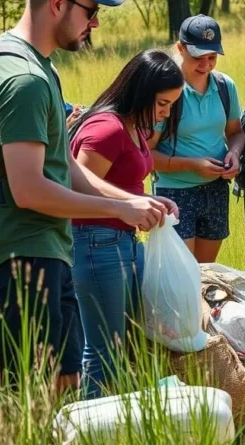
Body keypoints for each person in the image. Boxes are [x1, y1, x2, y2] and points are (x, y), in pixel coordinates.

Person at [0, 0, 176, 394]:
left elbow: (63, 171)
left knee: (64, 386)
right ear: (58, 4)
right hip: (20, 258)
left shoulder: (41, 69)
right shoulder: (20, 77)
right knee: (20, 399)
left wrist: (130, 202)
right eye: (92, 10)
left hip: (46, 250)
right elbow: (30, 189)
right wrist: (115, 210)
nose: (95, 23)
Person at [68, 49, 184, 398]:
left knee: (130, 342)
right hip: (95, 243)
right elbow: (77, 180)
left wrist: (149, 199)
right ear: (141, 91)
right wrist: (130, 203)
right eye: (162, 104)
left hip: (123, 243)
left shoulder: (134, 126)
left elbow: (121, 183)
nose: (165, 114)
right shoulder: (106, 127)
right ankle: (89, 426)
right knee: (103, 350)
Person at [150, 15, 244, 264]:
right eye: (198, 58)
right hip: (174, 193)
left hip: (215, 191)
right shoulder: (166, 91)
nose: (206, 65)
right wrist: (192, 164)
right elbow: (146, 154)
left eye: (212, 57)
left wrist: (234, 154)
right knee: (181, 275)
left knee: (206, 274)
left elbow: (236, 132)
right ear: (180, 48)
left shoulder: (225, 86)